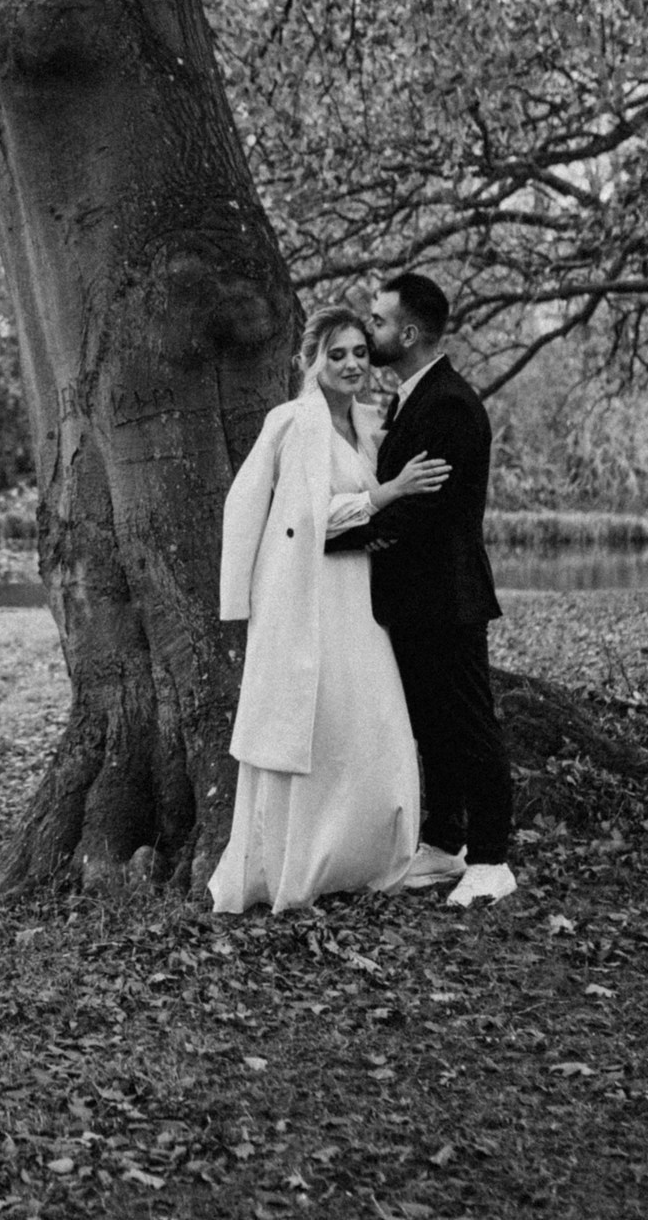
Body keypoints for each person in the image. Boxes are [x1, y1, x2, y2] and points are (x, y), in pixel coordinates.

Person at [209, 303, 451, 912]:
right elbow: (306, 517)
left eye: (360, 353)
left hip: (362, 592)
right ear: (310, 362)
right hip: (312, 592)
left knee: (372, 721)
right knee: (316, 721)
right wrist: (388, 493)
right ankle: (302, 863)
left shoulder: (372, 424)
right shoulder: (293, 423)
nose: (350, 365)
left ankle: (365, 854)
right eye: (336, 354)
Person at [338, 272, 516, 906]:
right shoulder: (411, 398)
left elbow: (426, 510)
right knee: (432, 725)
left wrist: (338, 537)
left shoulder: (448, 404)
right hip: (416, 596)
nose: (369, 330)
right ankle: (444, 843)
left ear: (410, 333)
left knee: (469, 724)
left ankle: (492, 859)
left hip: (448, 594)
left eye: (379, 321)